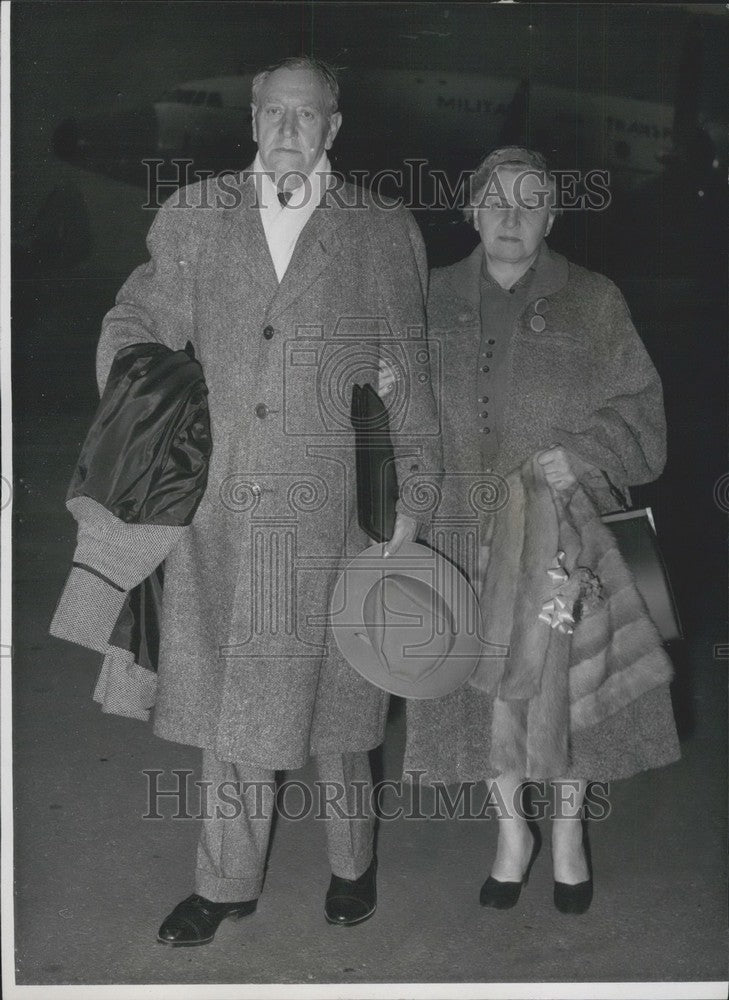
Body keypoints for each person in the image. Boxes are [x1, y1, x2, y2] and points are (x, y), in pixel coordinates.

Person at [92, 56, 441, 946]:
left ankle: (351, 866)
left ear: (333, 126)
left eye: (307, 115)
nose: (289, 129)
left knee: (340, 715)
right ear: (252, 120)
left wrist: (414, 505)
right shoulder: (195, 213)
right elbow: (136, 324)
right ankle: (224, 884)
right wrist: (148, 401)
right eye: (274, 113)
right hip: (223, 511)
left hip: (334, 514)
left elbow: (412, 380)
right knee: (235, 709)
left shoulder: (379, 226)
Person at [401, 146, 680, 914]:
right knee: (477, 691)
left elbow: (642, 415)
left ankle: (564, 834)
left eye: (531, 201)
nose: (512, 216)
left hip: (561, 530)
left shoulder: (592, 300)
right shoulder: (428, 299)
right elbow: (401, 417)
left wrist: (583, 452)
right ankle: (509, 833)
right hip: (460, 529)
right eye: (495, 199)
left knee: (563, 687)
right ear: (470, 211)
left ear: (553, 216)